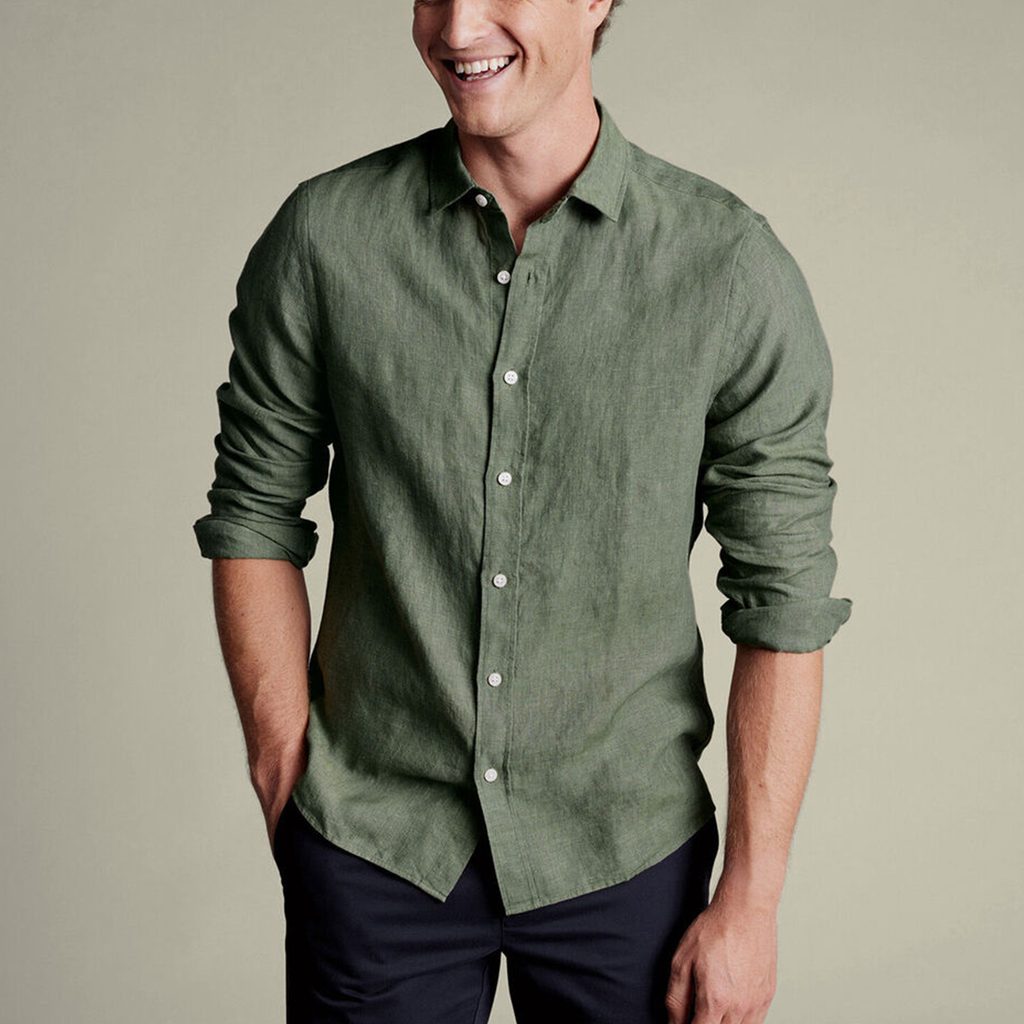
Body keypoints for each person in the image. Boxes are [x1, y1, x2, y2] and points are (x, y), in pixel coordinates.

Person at [192, 1, 853, 1021]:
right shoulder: (325, 237)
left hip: (628, 852)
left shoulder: (727, 269)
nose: (459, 27)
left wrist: (752, 900)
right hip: (377, 848)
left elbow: (784, 604)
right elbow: (252, 512)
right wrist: (286, 777)